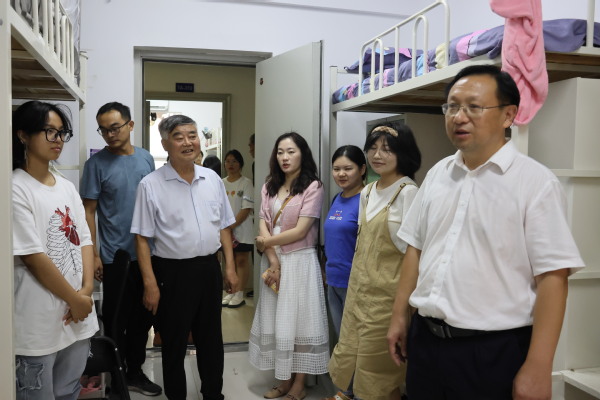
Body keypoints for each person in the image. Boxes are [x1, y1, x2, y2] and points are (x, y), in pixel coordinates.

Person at [387, 65, 584, 400]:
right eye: (452, 106)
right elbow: (415, 249)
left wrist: (539, 366)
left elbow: (553, 276)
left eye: (474, 107)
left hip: (492, 351)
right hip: (426, 342)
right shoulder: (438, 174)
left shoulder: (535, 183)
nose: (459, 117)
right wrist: (399, 316)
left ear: (508, 115)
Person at [131, 114, 239, 400]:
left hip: (208, 269)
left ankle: (213, 394)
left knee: (211, 338)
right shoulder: (150, 185)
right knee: (174, 341)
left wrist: (229, 268)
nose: (188, 142)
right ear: (166, 143)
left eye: (192, 135)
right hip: (172, 273)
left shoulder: (212, 179)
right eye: (179, 137)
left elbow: (224, 227)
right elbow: (141, 239)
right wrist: (150, 283)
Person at [12, 100, 99, 399]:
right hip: (38, 321)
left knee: (69, 392)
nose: (58, 139)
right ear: (23, 135)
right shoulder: (15, 187)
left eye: (62, 132)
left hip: (78, 316)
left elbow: (84, 238)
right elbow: (32, 257)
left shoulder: (65, 185)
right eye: (49, 131)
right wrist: (75, 299)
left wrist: (86, 291)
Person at [328, 124, 421, 400]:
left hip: (387, 301)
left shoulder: (408, 192)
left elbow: (415, 255)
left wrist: (405, 310)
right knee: (351, 359)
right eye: (373, 148)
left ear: (403, 153)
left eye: (387, 149)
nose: (377, 155)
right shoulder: (368, 191)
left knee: (380, 375)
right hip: (358, 294)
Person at [80, 101, 162, 396]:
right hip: (116, 258)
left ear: (130, 125)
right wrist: (94, 254)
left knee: (144, 318)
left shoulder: (146, 158)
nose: (110, 134)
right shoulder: (96, 165)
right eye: (104, 130)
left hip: (148, 255)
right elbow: (89, 212)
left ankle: (135, 372)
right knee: (117, 321)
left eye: (115, 128)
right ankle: (116, 380)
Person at [251, 132, 328, 400]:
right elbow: (263, 220)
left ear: (302, 154)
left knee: (301, 323)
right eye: (280, 152)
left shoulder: (313, 187)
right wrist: (272, 259)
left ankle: (299, 385)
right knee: (278, 320)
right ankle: (283, 380)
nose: (285, 157)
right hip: (274, 260)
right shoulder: (269, 185)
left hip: (299, 261)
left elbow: (301, 230)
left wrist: (265, 242)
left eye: (291, 151)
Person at [322, 145, 366, 400]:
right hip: (334, 281)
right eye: (336, 169)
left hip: (355, 284)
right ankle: (348, 392)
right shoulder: (336, 198)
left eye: (348, 168)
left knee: (358, 344)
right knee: (344, 342)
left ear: (362, 169)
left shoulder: (367, 199)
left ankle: (360, 394)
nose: (341, 174)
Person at [221, 149, 254, 308]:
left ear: (240, 164)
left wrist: (231, 226)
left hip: (242, 229)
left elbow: (246, 208)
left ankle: (239, 293)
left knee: (241, 260)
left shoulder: (246, 183)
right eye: (228, 161)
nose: (231, 164)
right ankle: (231, 292)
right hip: (224, 230)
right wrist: (225, 228)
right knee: (230, 260)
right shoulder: (221, 183)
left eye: (234, 161)